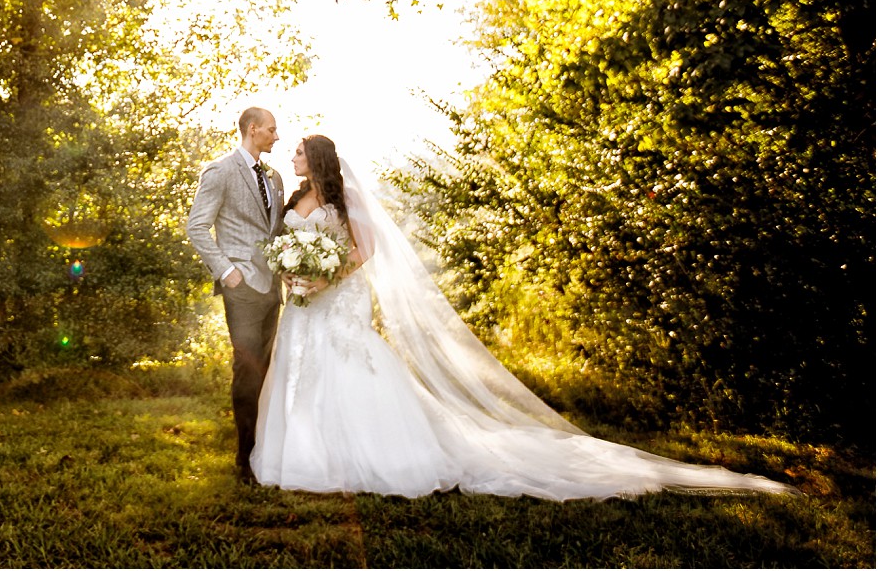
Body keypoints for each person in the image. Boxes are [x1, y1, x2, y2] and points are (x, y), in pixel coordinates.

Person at [250, 133, 795, 499]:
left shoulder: (344, 205)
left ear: (318, 159)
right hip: (302, 305)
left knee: (349, 371)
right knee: (299, 373)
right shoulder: (296, 196)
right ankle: (298, 454)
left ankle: (363, 456)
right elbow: (286, 247)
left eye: (299, 151)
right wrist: (293, 275)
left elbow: (362, 251)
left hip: (335, 302)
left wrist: (324, 276)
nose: (293, 155)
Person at [185, 106, 285, 483]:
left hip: (272, 288)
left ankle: (264, 452)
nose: (277, 136)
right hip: (241, 288)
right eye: (272, 130)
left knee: (266, 369)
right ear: (253, 129)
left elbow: (276, 231)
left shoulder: (274, 177)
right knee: (246, 370)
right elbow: (197, 227)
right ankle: (244, 460)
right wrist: (227, 271)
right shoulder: (220, 170)